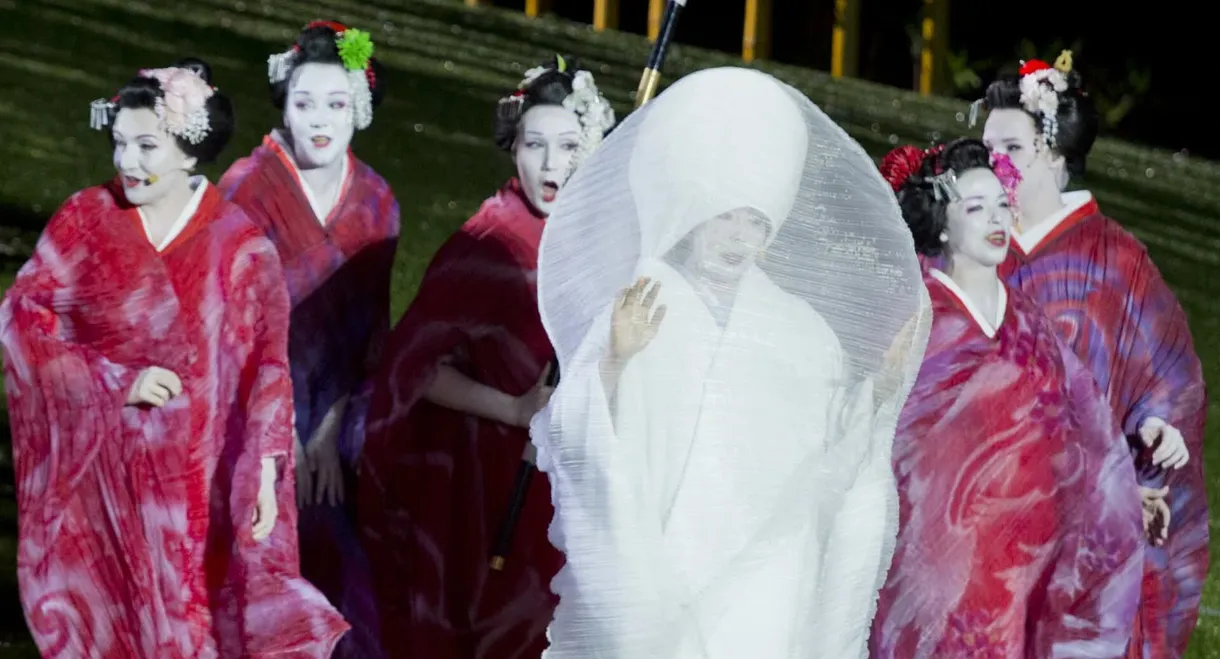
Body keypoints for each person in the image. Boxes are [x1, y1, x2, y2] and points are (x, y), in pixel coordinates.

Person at [530, 66, 930, 658]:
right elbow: (576, 432)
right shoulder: (642, 298)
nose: (738, 238)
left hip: (760, 593)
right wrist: (615, 361)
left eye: (755, 223)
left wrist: (876, 392)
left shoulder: (802, 330)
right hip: (659, 568)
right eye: (725, 216)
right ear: (694, 212)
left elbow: (827, 457)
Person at [1, 60, 348, 658]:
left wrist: (265, 466)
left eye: (146, 146)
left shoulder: (239, 246)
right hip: (99, 475)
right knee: (104, 623)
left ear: (189, 149)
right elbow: (20, 321)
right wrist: (115, 383)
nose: (127, 163)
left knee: (191, 627)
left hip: (195, 482)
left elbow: (267, 363)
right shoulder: (86, 220)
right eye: (119, 144)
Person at [357, 55, 616, 658]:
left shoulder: (601, 242)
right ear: (512, 149)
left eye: (570, 145)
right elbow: (414, 370)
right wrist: (516, 407)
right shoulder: (485, 245)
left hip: (571, 483)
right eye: (535, 145)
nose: (552, 164)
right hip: (484, 482)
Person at [869, 138, 1145, 658]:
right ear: (943, 222)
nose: (996, 219)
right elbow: (887, 432)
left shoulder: (1030, 319)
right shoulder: (920, 317)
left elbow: (1084, 424)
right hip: (937, 559)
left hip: (1028, 555)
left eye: (1001, 204)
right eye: (975, 208)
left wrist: (1117, 489)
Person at [977, 52, 1208, 657]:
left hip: (1076, 515)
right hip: (975, 498)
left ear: (1054, 152)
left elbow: (1163, 371)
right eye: (985, 149)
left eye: (1012, 150)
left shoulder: (1119, 261)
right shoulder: (971, 241)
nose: (993, 166)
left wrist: (1157, 423)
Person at [219, 20, 397, 658]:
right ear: (284, 108)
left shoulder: (377, 202)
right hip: (251, 404)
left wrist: (329, 426)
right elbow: (231, 328)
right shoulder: (247, 190)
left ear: (360, 110)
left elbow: (374, 330)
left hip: (340, 415)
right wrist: (284, 429)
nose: (319, 121)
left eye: (336, 104)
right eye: (304, 104)